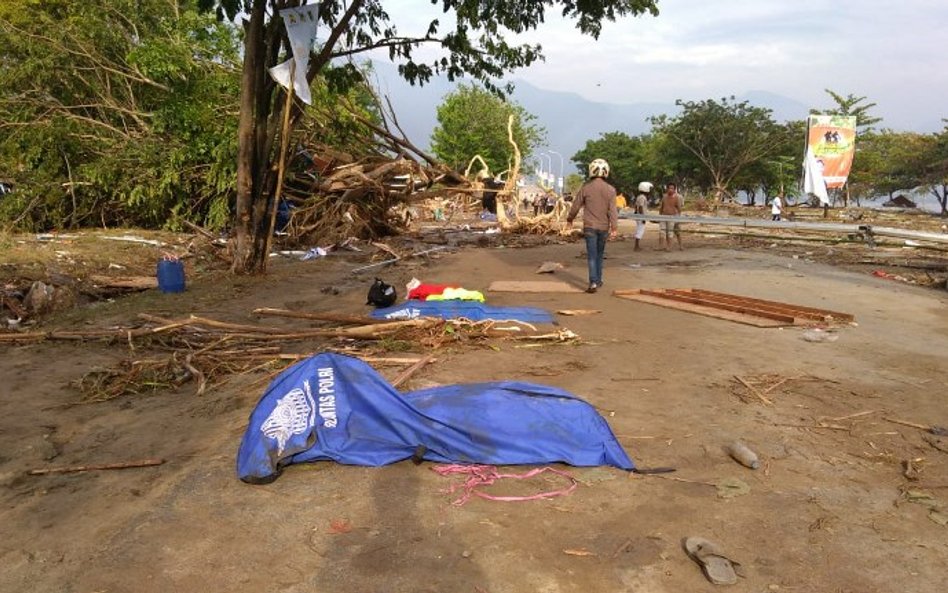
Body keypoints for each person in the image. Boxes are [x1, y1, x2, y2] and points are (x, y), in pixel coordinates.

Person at [566, 158, 618, 293]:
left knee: (592, 255)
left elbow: (575, 206)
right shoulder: (611, 190)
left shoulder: (586, 188)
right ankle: (598, 280)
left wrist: (569, 219)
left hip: (589, 226)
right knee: (599, 254)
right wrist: (614, 228)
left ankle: (593, 282)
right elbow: (613, 211)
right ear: (606, 171)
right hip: (604, 227)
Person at [658, 182, 684, 251]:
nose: (670, 190)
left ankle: (675, 246)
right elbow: (661, 207)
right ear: (667, 189)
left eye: (672, 188)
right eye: (669, 188)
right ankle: (661, 246)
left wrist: (678, 217)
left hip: (673, 217)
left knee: (674, 232)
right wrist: (659, 216)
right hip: (664, 216)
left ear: (674, 189)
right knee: (662, 231)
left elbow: (679, 208)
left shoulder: (677, 197)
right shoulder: (664, 197)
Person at [633, 181, 653, 251]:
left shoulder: (639, 196)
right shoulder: (643, 197)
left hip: (638, 216)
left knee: (638, 230)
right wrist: (643, 218)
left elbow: (636, 206)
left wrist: (636, 213)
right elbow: (641, 207)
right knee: (640, 230)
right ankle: (636, 246)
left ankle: (637, 246)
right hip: (641, 216)